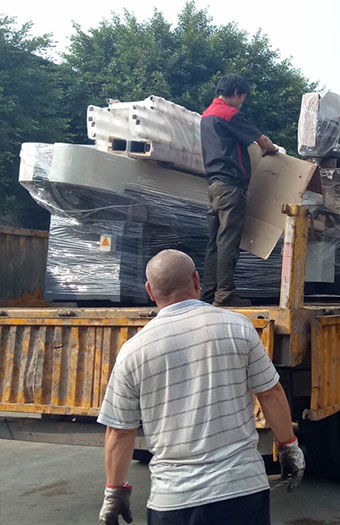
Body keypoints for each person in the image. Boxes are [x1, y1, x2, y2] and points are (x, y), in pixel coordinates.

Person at [97, 249, 304, 525]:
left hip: (174, 501)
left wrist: (114, 490)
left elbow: (120, 431)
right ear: (197, 280)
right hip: (242, 490)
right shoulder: (238, 327)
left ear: (149, 291)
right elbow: (270, 393)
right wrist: (289, 446)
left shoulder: (134, 351)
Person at [200, 74, 278, 307]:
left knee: (214, 242)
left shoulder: (206, 115)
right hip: (231, 186)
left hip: (214, 186)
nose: (242, 103)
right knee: (228, 241)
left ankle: (208, 294)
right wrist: (271, 150)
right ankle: (225, 294)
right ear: (235, 93)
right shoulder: (229, 114)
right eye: (242, 98)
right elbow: (263, 141)